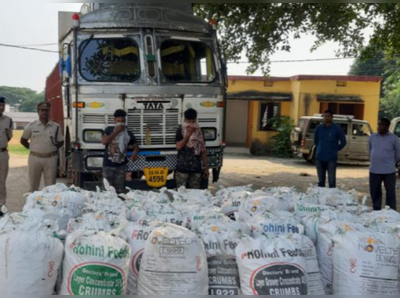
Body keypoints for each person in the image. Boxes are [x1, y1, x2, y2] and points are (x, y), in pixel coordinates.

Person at [21, 102, 64, 192]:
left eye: (47, 110)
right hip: (35, 159)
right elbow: (23, 140)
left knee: (51, 187)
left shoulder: (55, 127)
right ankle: (33, 205)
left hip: (50, 159)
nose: (44, 112)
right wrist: (33, 148)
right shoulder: (31, 126)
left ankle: (49, 205)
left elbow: (61, 141)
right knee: (33, 186)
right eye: (42, 110)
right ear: (38, 111)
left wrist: (53, 149)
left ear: (49, 111)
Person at [102, 109, 139, 194]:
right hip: (108, 165)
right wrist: (116, 132)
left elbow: (135, 145)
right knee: (107, 190)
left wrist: (135, 151)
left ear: (125, 121)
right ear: (114, 120)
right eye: (118, 121)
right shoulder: (109, 130)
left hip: (121, 166)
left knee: (119, 190)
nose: (120, 123)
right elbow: (104, 141)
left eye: (122, 121)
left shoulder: (128, 133)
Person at [369, 118, 400, 211]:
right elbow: (370, 150)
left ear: (387, 126)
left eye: (382, 125)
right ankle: (377, 209)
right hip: (374, 170)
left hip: (389, 171)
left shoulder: (394, 138)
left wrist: (391, 163)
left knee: (390, 192)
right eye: (379, 124)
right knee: (375, 192)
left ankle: (390, 212)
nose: (379, 126)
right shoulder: (372, 137)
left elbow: (398, 154)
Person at [175, 108, 209, 189]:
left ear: (196, 120)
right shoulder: (180, 130)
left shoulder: (199, 131)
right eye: (188, 122)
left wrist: (206, 167)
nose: (190, 124)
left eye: (193, 122)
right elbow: (179, 146)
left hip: (196, 169)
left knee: (194, 195)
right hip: (182, 168)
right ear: (184, 119)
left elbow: (203, 150)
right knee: (180, 194)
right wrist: (188, 134)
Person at [314, 110, 347, 188]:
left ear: (332, 117)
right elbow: (315, 141)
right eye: (325, 116)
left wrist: (335, 149)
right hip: (320, 157)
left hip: (331, 158)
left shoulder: (337, 128)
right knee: (321, 181)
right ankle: (321, 198)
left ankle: (332, 198)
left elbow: (343, 142)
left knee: (331, 181)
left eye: (328, 116)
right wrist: (320, 148)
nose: (327, 118)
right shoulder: (319, 128)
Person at [0, 96, 13, 217]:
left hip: (2, 154)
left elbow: (9, 136)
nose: (1, 107)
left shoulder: (8, 120)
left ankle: (1, 206)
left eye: (2, 105)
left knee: (1, 181)